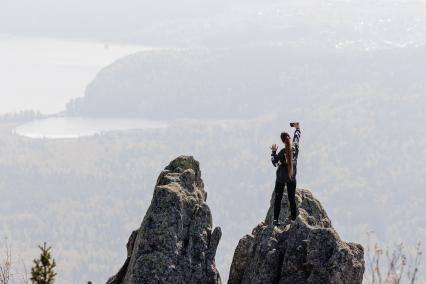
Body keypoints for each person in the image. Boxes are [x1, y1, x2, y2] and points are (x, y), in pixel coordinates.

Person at [270, 122, 301, 226]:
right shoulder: (295, 148)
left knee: (278, 199)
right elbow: (297, 137)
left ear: (282, 141)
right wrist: (297, 128)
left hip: (281, 179)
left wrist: (273, 152)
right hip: (291, 178)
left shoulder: (282, 152)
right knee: (292, 198)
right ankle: (293, 220)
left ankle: (275, 221)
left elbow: (275, 163)